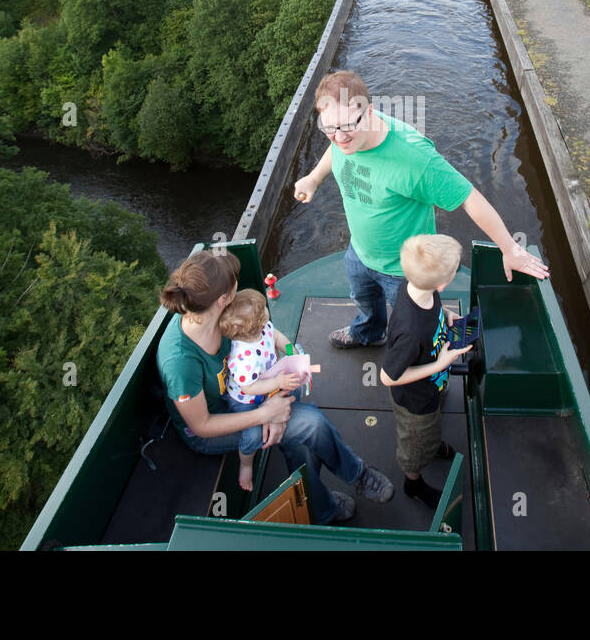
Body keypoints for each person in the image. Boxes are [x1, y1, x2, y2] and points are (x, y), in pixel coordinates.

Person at [293, 69, 548, 349]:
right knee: (364, 301)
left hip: (405, 271)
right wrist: (314, 178)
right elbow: (336, 149)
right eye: (328, 128)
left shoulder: (414, 158)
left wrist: (510, 249)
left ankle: (432, 359)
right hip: (360, 253)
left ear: (368, 112)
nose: (338, 137)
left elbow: (468, 197)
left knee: (419, 328)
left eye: (345, 127)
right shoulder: (345, 137)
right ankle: (368, 332)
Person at [156, 249, 394, 523]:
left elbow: (267, 345)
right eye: (235, 282)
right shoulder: (180, 361)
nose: (238, 285)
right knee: (311, 423)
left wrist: (278, 398)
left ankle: (320, 504)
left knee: (296, 436)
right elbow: (202, 426)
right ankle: (355, 477)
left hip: (251, 396)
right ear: (223, 299)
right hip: (216, 424)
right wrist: (267, 414)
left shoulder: (221, 314)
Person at [380, 234, 472, 508]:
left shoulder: (418, 287)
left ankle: (433, 444)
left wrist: (446, 318)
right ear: (443, 282)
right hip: (416, 402)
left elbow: (432, 311)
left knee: (431, 429)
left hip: (433, 387)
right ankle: (413, 482)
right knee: (416, 444)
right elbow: (387, 376)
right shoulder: (411, 331)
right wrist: (439, 365)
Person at [219, 287, 302, 492]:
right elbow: (248, 387)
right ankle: (246, 464)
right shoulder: (243, 358)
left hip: (269, 380)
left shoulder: (264, 329)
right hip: (246, 400)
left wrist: (291, 351)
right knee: (253, 436)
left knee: (297, 371)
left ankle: (285, 408)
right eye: (264, 310)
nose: (267, 311)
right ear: (256, 324)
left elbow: (277, 337)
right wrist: (277, 383)